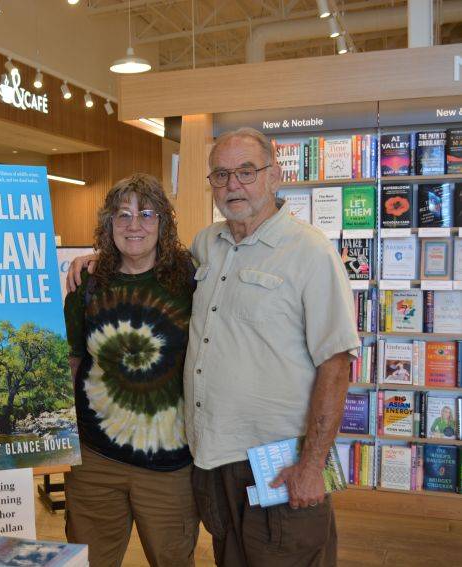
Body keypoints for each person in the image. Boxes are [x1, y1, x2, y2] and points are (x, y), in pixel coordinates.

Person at [68, 128, 359, 567]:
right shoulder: (209, 247)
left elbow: (336, 364)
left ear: (274, 176)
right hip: (212, 458)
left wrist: (312, 465)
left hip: (277, 458)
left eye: (246, 172)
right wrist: (91, 257)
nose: (232, 185)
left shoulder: (311, 252)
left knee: (287, 552)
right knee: (232, 555)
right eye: (221, 175)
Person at [63, 173, 198, 567]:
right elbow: (72, 360)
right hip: (94, 462)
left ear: (163, 223)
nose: (134, 225)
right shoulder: (87, 281)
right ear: (108, 224)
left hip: (169, 466)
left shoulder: (190, 279)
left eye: (146, 213)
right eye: (122, 215)